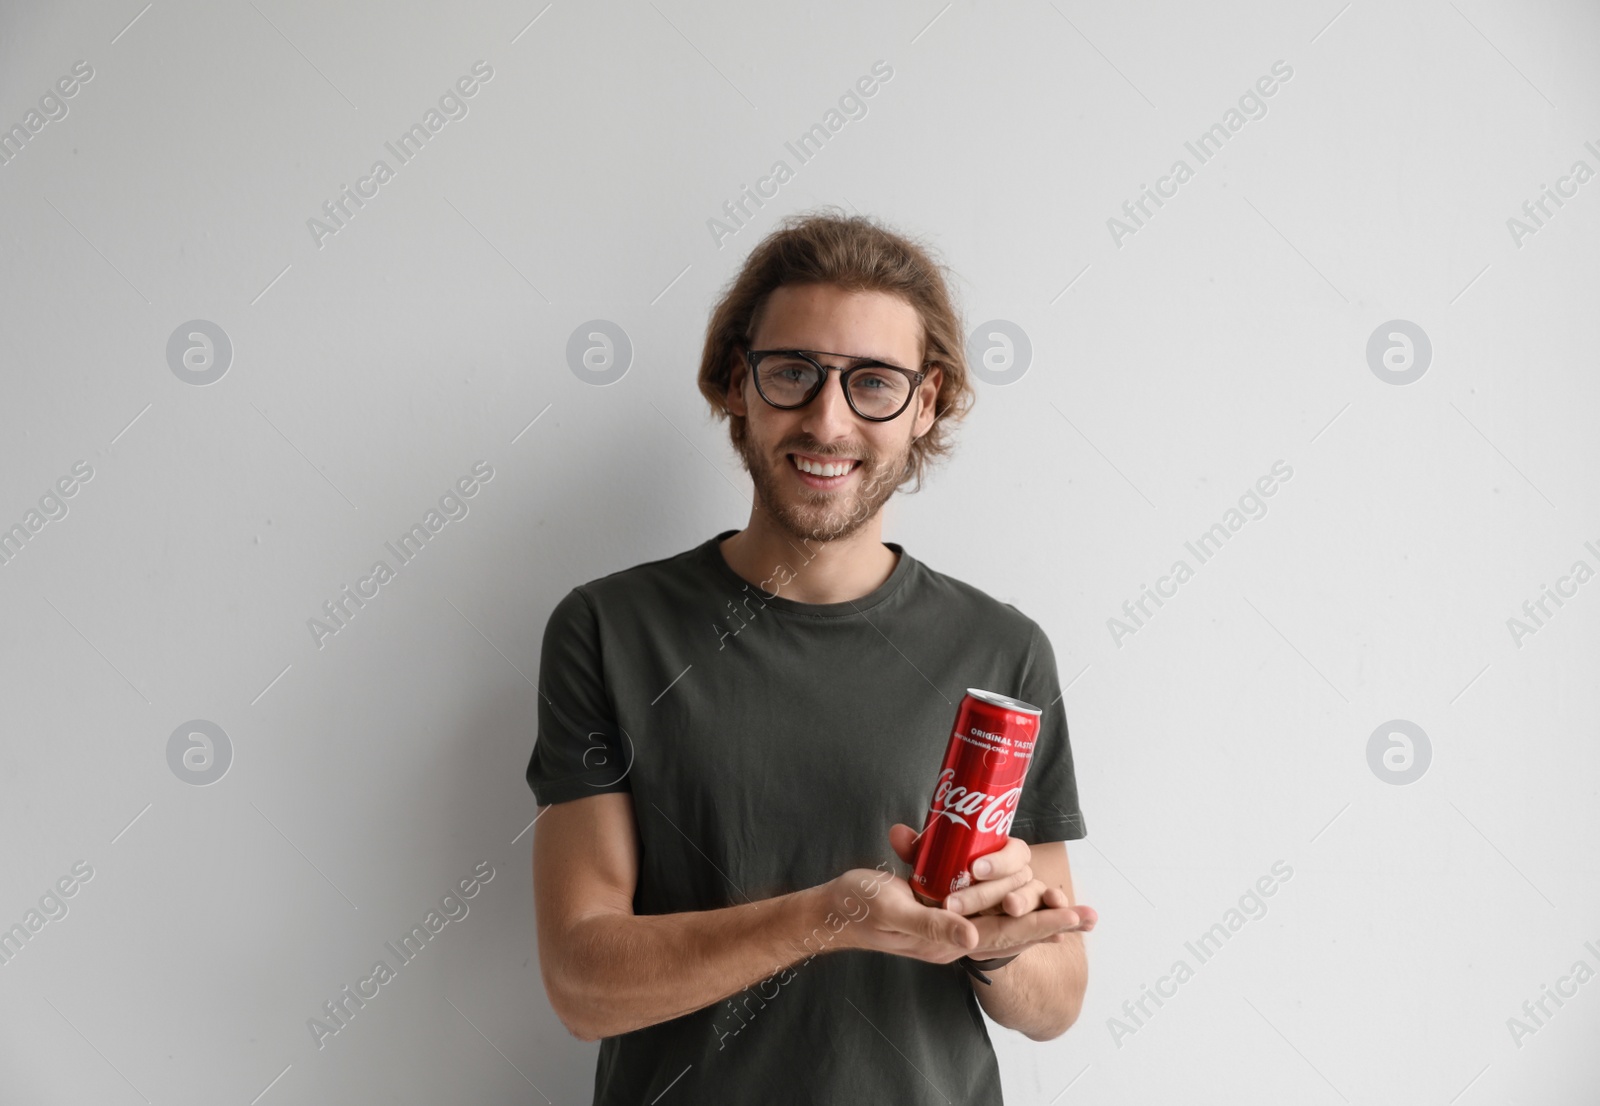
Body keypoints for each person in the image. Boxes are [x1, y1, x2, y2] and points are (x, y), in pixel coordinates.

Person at [527, 208, 1095, 1104]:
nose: (827, 421)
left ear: (927, 403)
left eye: (874, 382)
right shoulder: (610, 629)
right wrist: (827, 917)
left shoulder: (1001, 650)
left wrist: (1000, 949)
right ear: (734, 384)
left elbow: (1056, 1001)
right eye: (793, 373)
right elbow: (582, 984)